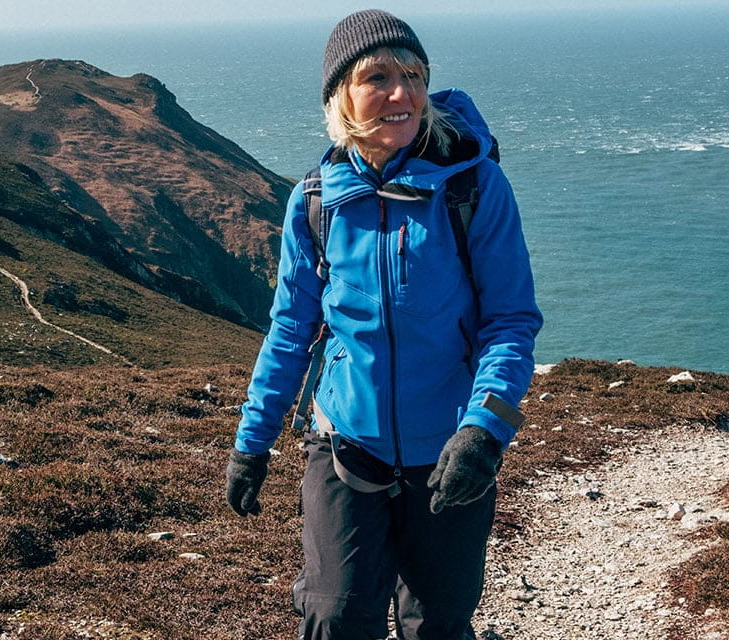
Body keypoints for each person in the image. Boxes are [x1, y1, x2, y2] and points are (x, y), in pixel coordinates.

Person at [224, 10, 543, 640]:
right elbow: (291, 328)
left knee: (438, 625)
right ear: (341, 94)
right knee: (336, 617)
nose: (403, 94)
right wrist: (251, 443)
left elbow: (509, 321)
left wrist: (484, 430)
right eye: (379, 76)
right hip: (345, 445)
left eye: (414, 75)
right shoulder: (316, 200)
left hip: (452, 450)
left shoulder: (473, 186)